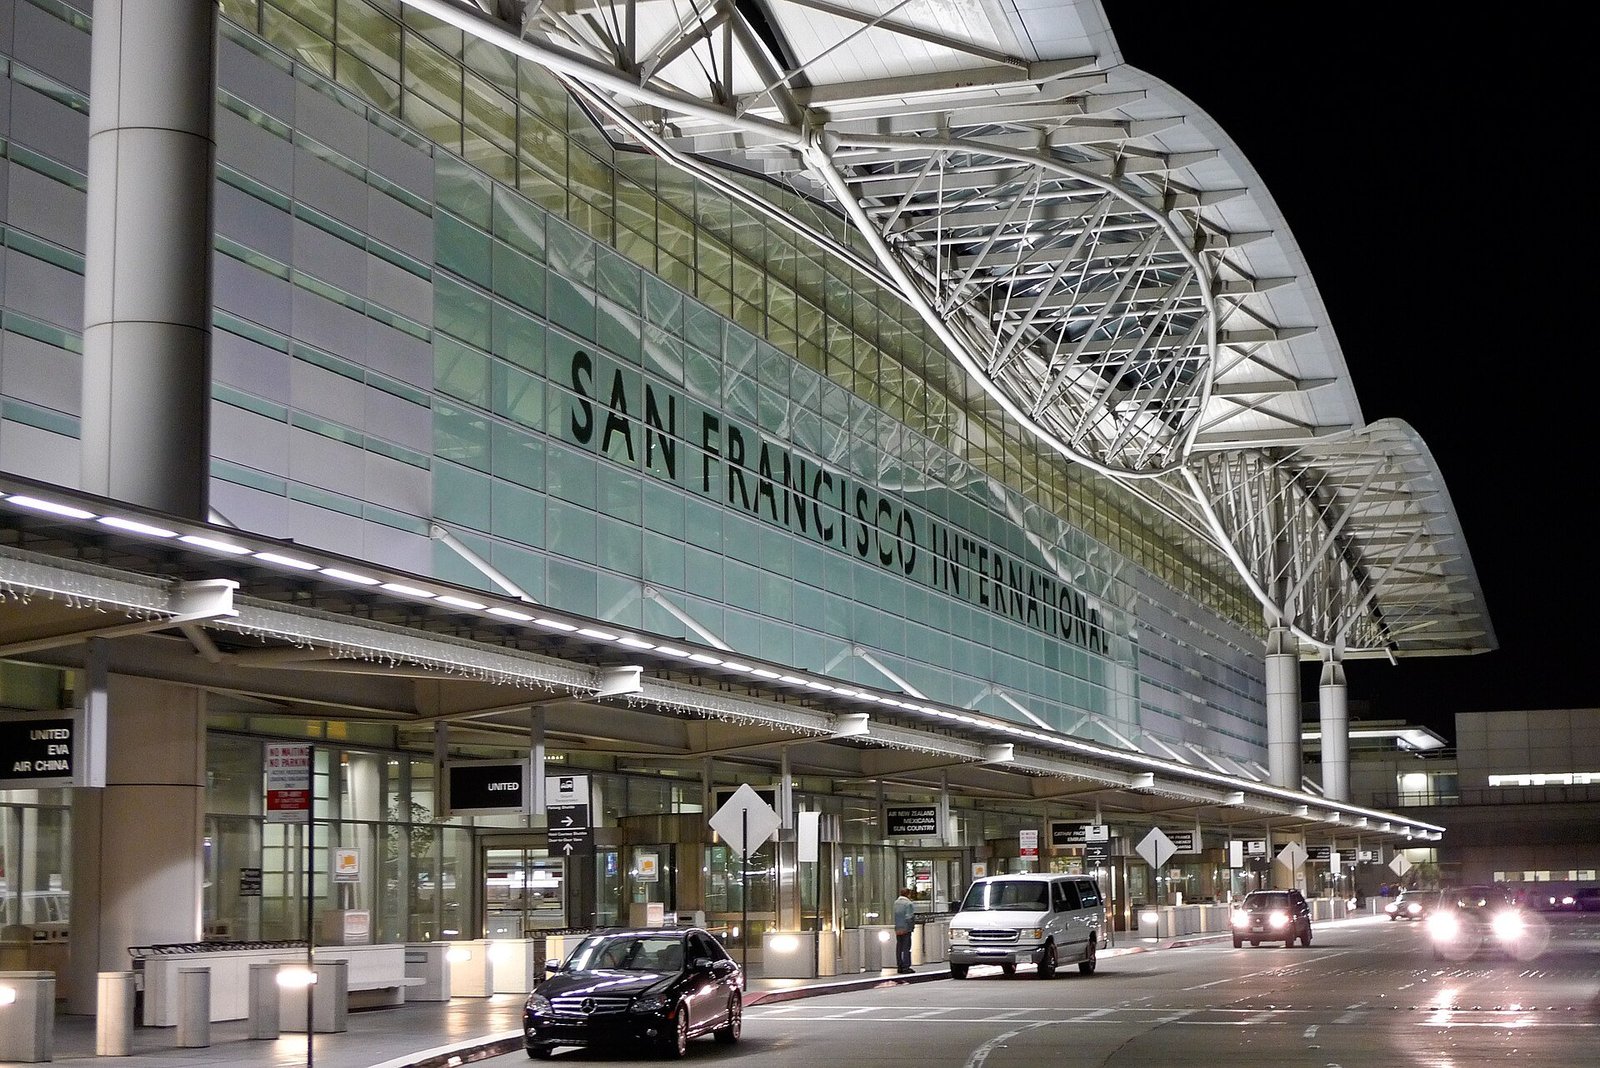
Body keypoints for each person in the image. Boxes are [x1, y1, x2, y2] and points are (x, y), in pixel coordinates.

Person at [893, 887, 916, 974]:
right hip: (906, 928)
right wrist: (911, 927)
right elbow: (909, 917)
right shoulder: (908, 904)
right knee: (906, 948)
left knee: (899, 947)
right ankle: (906, 966)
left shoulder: (896, 903)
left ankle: (899, 966)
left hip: (898, 928)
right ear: (908, 894)